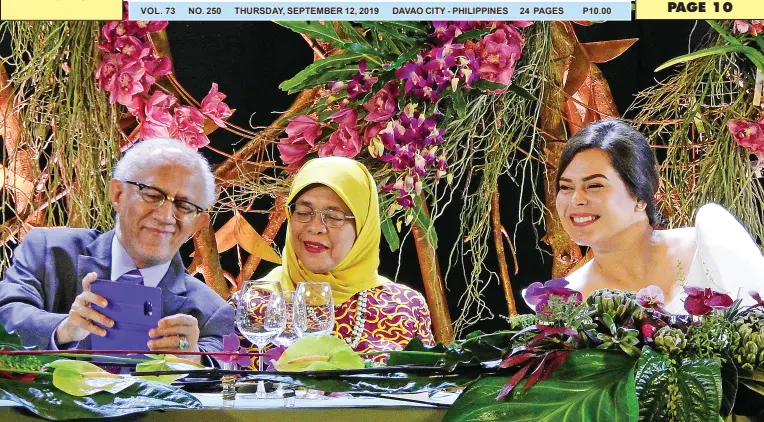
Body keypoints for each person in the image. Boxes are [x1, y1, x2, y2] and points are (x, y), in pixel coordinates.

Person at [0, 137, 233, 364]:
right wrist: (64, 330)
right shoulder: (48, 252)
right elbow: (6, 316)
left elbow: (222, 368)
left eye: (184, 206)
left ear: (198, 222)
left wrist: (192, 356)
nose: (165, 216)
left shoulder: (210, 311)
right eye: (152, 195)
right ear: (117, 194)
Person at [232, 157, 435, 364]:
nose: (315, 227)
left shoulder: (404, 306)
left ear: (363, 227)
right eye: (303, 212)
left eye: (334, 217)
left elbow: (429, 387)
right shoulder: (252, 305)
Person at [552, 119, 764, 312]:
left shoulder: (709, 238)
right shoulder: (569, 301)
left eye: (595, 185)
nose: (576, 199)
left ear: (641, 194)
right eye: (566, 187)